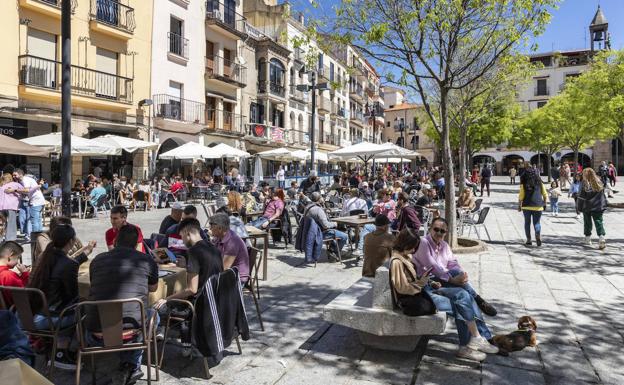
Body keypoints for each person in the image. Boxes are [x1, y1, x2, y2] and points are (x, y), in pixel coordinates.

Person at [394, 228, 498, 361]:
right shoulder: (397, 261)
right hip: (418, 297)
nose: (414, 251)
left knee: (463, 295)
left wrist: (429, 282)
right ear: (406, 244)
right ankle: (469, 344)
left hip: (425, 289)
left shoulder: (404, 256)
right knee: (461, 303)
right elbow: (402, 288)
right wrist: (421, 283)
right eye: (413, 247)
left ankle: (477, 338)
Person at [86, 224, 159, 384]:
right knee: (154, 315)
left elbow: (94, 285)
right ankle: (131, 365)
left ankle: (128, 365)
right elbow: (153, 288)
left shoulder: (98, 260)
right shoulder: (146, 260)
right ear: (136, 244)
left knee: (132, 315)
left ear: (116, 241)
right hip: (131, 332)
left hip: (95, 332)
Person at [28, 224, 95, 369]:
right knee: (85, 308)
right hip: (50, 318)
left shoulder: (46, 257)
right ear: (71, 241)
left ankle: (56, 346)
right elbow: (71, 296)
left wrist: (83, 255)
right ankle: (62, 351)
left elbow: (66, 266)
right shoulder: (66, 263)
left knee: (75, 305)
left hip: (30, 316)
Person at [413, 218, 497, 317]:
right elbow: (432, 267)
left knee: (462, 284)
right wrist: (452, 280)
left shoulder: (444, 245)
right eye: (436, 229)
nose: (439, 233)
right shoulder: (424, 242)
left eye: (442, 231)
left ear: (446, 233)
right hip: (428, 281)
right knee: (463, 292)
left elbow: (453, 263)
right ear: (430, 229)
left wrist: (462, 275)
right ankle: (478, 300)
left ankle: (478, 315)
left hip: (442, 278)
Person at [304, 192, 347, 262]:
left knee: (335, 232)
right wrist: (335, 223)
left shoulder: (307, 207)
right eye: (321, 197)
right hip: (320, 234)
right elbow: (326, 225)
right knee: (344, 236)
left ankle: (332, 249)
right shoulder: (318, 210)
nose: (323, 198)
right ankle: (334, 252)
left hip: (310, 233)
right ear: (319, 199)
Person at [210, 213, 250, 283]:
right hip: (227, 275)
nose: (210, 228)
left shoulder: (232, 242)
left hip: (236, 278)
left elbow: (224, 268)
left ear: (220, 228)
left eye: (211, 225)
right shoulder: (219, 238)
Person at [578, 168, 608, 249]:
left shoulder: (585, 184)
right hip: (598, 206)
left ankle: (588, 239)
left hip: (587, 207)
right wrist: (604, 205)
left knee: (587, 222)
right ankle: (601, 237)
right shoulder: (599, 183)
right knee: (599, 222)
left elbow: (581, 198)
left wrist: (579, 208)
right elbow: (603, 196)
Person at [518, 168, 548, 246]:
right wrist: (545, 203)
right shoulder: (540, 182)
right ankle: (537, 235)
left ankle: (529, 239)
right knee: (537, 223)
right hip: (538, 206)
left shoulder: (524, 183)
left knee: (527, 223)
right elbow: (545, 194)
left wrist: (519, 205)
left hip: (526, 206)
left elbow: (521, 196)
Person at [13, 169, 45, 238]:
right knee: (38, 220)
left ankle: (36, 238)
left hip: (36, 202)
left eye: (15, 175)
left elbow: (27, 190)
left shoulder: (25, 180)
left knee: (34, 221)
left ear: (20, 174)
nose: (14, 176)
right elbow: (28, 191)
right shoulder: (24, 180)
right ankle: (40, 236)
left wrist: (15, 190)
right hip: (39, 201)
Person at [0, 241, 29, 306]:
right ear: (10, 256)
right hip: (14, 311)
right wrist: (25, 274)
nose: (17, 261)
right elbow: (23, 295)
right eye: (17, 257)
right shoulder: (8, 275)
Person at [0, 173, 23, 241]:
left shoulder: (1, 186)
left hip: (1, 207)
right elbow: (25, 191)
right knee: (11, 223)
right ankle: (10, 239)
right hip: (11, 207)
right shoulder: (15, 184)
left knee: (1, 223)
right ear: (10, 178)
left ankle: (1, 238)